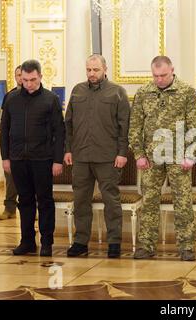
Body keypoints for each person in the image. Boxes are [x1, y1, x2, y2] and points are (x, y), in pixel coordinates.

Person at [129, 56, 196, 261]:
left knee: (183, 202)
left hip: (179, 157)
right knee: (150, 201)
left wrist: (190, 155)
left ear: (172, 70)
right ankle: (146, 245)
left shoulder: (186, 91)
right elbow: (135, 126)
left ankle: (186, 246)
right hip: (151, 157)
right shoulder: (144, 92)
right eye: (155, 75)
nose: (159, 79)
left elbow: (195, 126)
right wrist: (139, 154)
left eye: (163, 75)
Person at [64, 54, 130, 259]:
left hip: (108, 157)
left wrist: (122, 153)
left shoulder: (117, 92)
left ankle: (114, 243)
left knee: (111, 200)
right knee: (81, 200)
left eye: (96, 70)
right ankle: (81, 242)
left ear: (105, 69)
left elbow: (124, 126)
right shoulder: (77, 91)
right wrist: (68, 149)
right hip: (81, 156)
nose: (92, 74)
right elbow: (68, 124)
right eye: (89, 70)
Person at [0, 59, 65, 257]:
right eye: (25, 80)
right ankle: (27, 241)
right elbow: (4, 130)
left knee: (44, 201)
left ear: (40, 77)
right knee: (25, 201)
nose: (28, 84)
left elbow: (59, 131)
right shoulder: (11, 99)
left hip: (42, 159)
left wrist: (57, 160)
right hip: (18, 159)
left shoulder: (50, 99)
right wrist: (5, 157)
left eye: (33, 79)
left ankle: (46, 243)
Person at [0, 65, 22, 221]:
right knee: (11, 179)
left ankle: (32, 210)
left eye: (23, 75)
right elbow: (4, 122)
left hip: (33, 147)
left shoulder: (42, 95)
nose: (20, 78)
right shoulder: (9, 96)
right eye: (18, 75)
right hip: (13, 145)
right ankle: (10, 209)